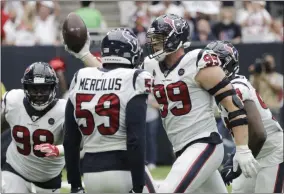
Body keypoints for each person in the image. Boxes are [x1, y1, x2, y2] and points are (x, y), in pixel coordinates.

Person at [142, 14, 259, 193]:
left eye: (159, 39)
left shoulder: (197, 61)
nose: (154, 43)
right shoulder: (151, 66)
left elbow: (233, 103)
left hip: (204, 143)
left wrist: (242, 148)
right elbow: (120, 79)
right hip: (182, 147)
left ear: (174, 40)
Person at [63, 28, 155, 193]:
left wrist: (75, 185)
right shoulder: (135, 78)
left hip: (91, 175)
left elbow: (70, 140)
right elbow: (136, 139)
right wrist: (138, 187)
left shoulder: (80, 76)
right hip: (123, 170)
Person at [206, 40, 283, 193]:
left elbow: (260, 134)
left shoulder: (237, 88)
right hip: (255, 152)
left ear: (225, 65)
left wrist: (239, 161)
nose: (207, 69)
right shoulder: (225, 88)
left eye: (212, 64)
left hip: (272, 153)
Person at [1, 62, 66, 193]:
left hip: (48, 177)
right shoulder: (13, 100)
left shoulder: (64, 110)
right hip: (15, 168)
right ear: (25, 87)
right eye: (34, 88)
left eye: (44, 88)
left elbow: (76, 144)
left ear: (53, 87)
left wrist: (57, 149)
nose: (39, 94)